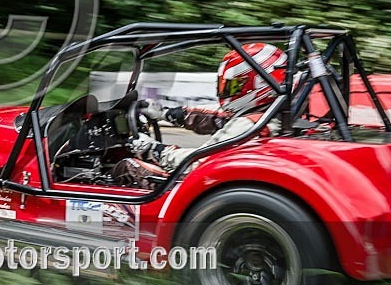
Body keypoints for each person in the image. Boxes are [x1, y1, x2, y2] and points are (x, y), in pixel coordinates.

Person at [113, 43, 287, 185]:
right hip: (234, 180)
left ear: (260, 84)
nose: (226, 92)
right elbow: (217, 120)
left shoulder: (247, 126)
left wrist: (153, 149)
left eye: (233, 86)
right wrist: (164, 114)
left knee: (127, 166)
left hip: (204, 182)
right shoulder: (268, 116)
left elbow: (197, 163)